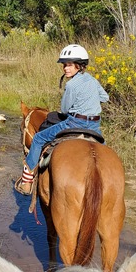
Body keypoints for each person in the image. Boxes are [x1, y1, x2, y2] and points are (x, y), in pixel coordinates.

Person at [15, 44, 109, 195]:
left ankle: (27, 180)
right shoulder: (92, 80)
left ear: (79, 65)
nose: (66, 68)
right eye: (64, 65)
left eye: (70, 65)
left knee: (38, 138)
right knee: (104, 152)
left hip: (74, 122)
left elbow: (65, 110)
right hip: (95, 125)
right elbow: (105, 97)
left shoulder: (71, 85)